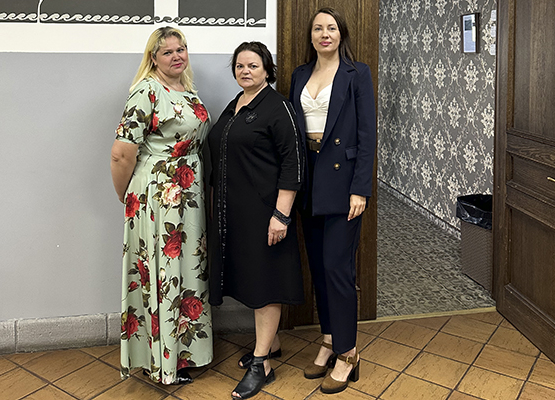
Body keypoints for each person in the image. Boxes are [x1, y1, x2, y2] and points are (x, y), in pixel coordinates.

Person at [110, 26, 212, 385]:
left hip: (187, 196)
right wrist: (127, 196)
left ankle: (183, 353)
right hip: (157, 196)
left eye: (181, 49)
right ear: (153, 58)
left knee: (185, 268)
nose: (176, 56)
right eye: (167, 51)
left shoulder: (186, 88)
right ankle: (162, 362)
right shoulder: (146, 91)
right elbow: (121, 153)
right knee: (163, 270)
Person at [207, 41, 304, 399]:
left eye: (253, 66)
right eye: (240, 66)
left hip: (266, 213)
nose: (245, 71)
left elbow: (293, 162)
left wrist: (281, 214)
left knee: (265, 284)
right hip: (237, 213)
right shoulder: (237, 104)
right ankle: (271, 343)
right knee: (251, 279)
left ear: (267, 70)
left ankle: (262, 363)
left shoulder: (278, 107)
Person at [288, 7, 376, 395]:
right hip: (309, 180)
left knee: (337, 268)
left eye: (332, 28)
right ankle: (328, 339)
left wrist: (361, 189)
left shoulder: (358, 74)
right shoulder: (299, 75)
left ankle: (348, 353)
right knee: (319, 269)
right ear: (311, 36)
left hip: (343, 184)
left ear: (342, 34)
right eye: (318, 28)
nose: (325, 34)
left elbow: (367, 135)